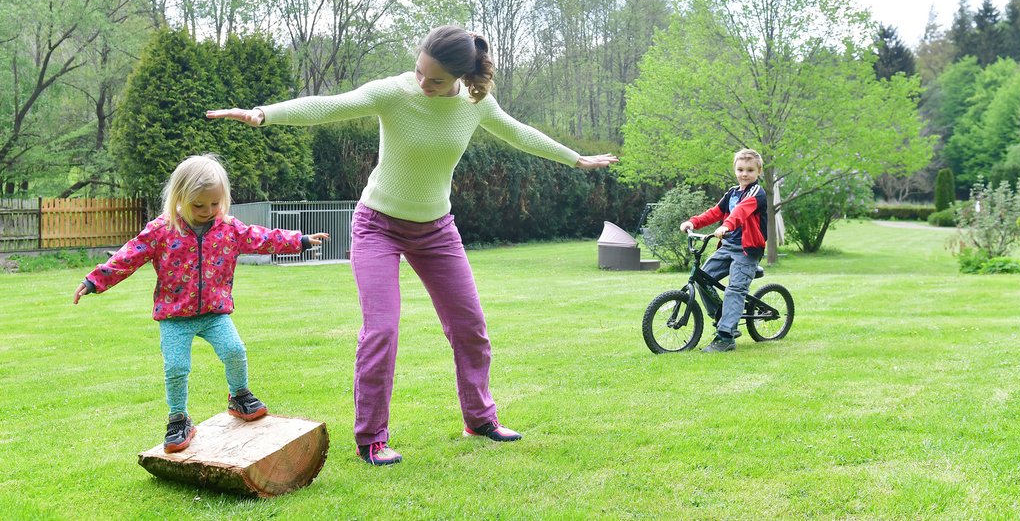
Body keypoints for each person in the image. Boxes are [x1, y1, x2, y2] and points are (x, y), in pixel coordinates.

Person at [207, 25, 618, 466]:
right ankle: (371, 439)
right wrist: (263, 114)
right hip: (376, 226)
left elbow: (520, 133)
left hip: (436, 230)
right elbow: (331, 106)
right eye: (420, 71)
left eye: (436, 79)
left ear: (461, 77)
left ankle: (480, 418)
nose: (423, 83)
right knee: (381, 331)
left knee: (470, 328)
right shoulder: (394, 92)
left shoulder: (475, 104)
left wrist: (576, 158)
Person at [73, 154, 330, 453]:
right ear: (180, 197)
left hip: (214, 313)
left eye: (214, 204)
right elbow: (128, 256)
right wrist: (94, 281)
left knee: (234, 350)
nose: (208, 211)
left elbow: (263, 239)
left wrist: (299, 240)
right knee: (176, 366)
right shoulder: (161, 230)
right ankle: (178, 418)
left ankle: (239, 396)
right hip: (174, 316)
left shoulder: (229, 229)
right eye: (199, 205)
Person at [679, 148, 768, 353]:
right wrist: (693, 222)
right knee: (703, 277)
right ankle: (723, 315)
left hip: (747, 251)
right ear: (735, 170)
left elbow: (741, 212)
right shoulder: (732, 192)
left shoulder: (757, 193)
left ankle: (726, 337)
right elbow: (714, 213)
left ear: (759, 172)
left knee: (735, 290)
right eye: (740, 169)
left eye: (750, 170)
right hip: (728, 247)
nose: (744, 174)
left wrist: (726, 226)